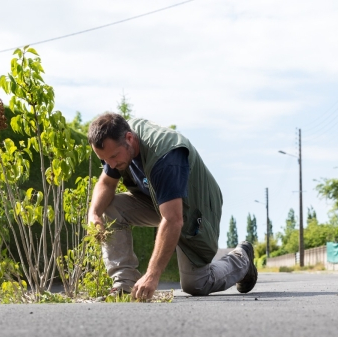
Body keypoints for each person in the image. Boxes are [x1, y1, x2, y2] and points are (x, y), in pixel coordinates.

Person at [86, 112, 257, 300]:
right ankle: (124, 284)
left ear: (129, 138)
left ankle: (242, 258)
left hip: (194, 205)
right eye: (104, 160)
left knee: (197, 284)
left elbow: (173, 219)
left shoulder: (165, 156)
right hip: (158, 200)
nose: (110, 164)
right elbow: (106, 183)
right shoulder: (118, 141)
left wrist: (152, 275)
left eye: (113, 157)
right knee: (109, 208)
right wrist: (94, 214)